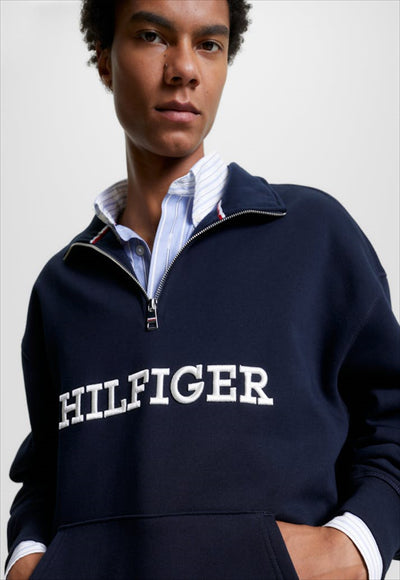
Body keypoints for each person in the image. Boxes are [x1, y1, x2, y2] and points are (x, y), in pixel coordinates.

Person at [5, 0, 399, 579]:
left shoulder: (314, 237)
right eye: (152, 36)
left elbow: (391, 418)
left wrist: (354, 550)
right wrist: (27, 560)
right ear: (104, 57)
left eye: (209, 44)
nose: (185, 69)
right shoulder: (63, 286)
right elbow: (45, 473)